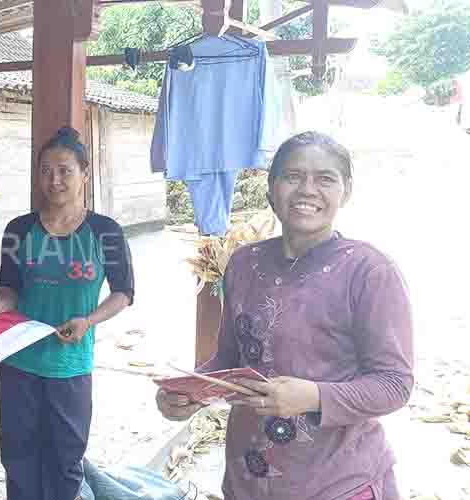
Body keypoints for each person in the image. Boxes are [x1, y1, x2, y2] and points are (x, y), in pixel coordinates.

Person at [156, 132, 414, 500]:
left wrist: (314, 396)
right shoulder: (244, 263)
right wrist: (190, 392)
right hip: (248, 479)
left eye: (325, 179)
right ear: (270, 190)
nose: (308, 189)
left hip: (337, 482)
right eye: (293, 176)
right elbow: (229, 360)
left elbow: (394, 384)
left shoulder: (369, 271)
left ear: (346, 191)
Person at [0, 127, 136, 500]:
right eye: (46, 171)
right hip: (20, 363)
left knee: (65, 463)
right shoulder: (19, 230)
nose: (54, 180)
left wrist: (89, 321)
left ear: (85, 173)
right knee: (18, 459)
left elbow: (124, 293)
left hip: (70, 366)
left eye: (65, 170)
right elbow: (9, 286)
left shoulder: (105, 232)